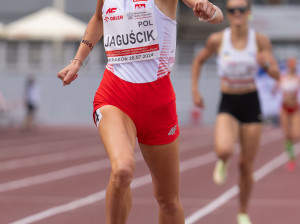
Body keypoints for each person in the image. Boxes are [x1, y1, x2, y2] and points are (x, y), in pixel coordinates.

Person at [57, 1, 223, 223]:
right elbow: (98, 19)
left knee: (168, 200)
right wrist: (78, 60)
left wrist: (211, 12)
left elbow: (217, 16)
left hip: (158, 105)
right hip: (114, 96)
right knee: (122, 170)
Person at [191, 0, 280, 223]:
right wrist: (195, 91)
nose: (237, 13)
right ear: (228, 14)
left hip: (250, 103)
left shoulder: (259, 40)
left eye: (242, 9)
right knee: (223, 149)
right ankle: (223, 159)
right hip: (228, 102)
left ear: (249, 13)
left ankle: (242, 211)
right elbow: (198, 61)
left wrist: (266, 65)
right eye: (232, 10)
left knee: (246, 166)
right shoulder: (218, 39)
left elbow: (277, 75)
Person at [274, 57, 300, 171]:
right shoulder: (282, 78)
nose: (292, 67)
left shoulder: (297, 78)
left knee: (296, 134)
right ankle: (291, 158)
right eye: (290, 65)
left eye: (294, 65)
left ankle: (291, 157)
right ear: (288, 66)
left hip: (295, 107)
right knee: (288, 135)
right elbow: (274, 90)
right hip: (284, 108)